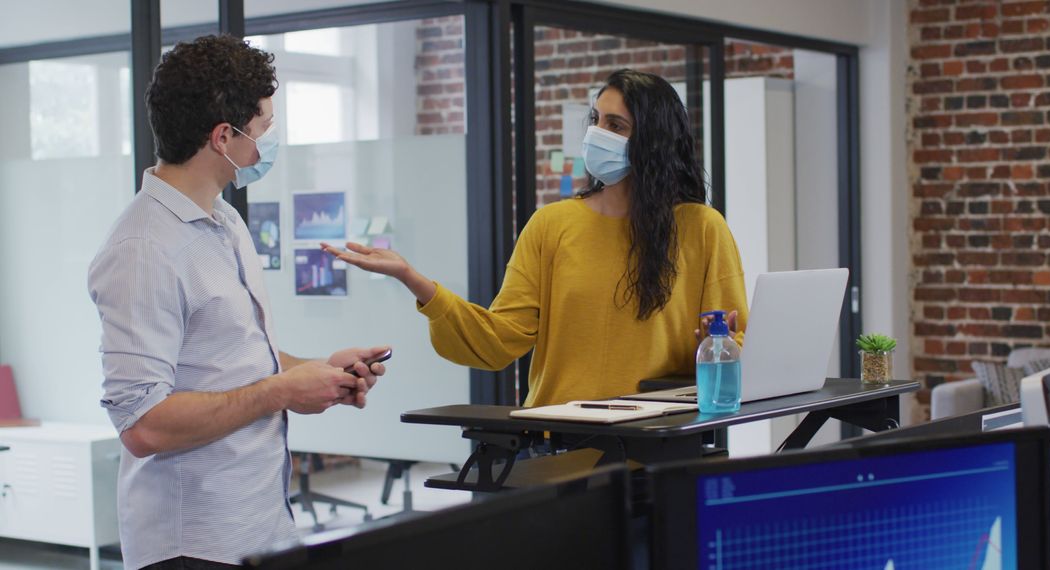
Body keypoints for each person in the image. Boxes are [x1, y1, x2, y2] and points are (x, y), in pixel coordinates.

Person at [88, 35, 389, 570]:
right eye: (264, 130)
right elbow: (144, 426)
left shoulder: (224, 220)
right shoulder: (142, 249)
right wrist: (279, 390)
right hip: (191, 546)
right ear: (223, 137)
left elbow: (237, 361)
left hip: (259, 528)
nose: (267, 144)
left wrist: (319, 371)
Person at [325, 68, 746, 407]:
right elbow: (498, 340)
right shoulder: (551, 225)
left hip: (664, 440)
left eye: (616, 125)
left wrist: (717, 347)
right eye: (596, 120)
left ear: (652, 141)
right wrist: (413, 279)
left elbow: (734, 339)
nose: (598, 133)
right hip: (562, 441)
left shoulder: (702, 228)